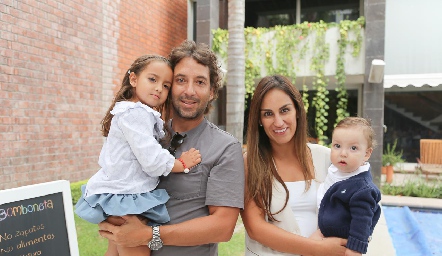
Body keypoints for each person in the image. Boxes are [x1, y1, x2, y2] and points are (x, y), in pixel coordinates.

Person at [98, 40, 245, 256]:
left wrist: (150, 235)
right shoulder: (144, 136)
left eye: (200, 82)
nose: (189, 91)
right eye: (181, 80)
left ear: (212, 91)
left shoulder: (225, 148)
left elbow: (222, 228)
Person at [75, 54, 202, 256]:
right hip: (124, 196)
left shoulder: (132, 112)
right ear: (133, 79)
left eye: (166, 85)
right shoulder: (136, 114)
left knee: (116, 250)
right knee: (134, 249)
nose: (159, 88)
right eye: (152, 79)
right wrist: (181, 164)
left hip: (120, 193)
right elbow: (151, 159)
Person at [241, 75, 347, 256]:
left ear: (297, 110)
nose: (278, 122)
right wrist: (317, 249)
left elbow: (357, 202)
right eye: (268, 114)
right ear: (259, 120)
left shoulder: (326, 158)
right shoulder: (250, 162)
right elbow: (255, 228)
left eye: (284, 110)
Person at [312, 117, 381, 256]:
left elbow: (362, 221)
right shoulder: (336, 170)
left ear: (366, 154)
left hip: (344, 241)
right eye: (337, 146)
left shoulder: (363, 188)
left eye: (353, 148)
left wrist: (354, 249)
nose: (343, 153)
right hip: (326, 231)